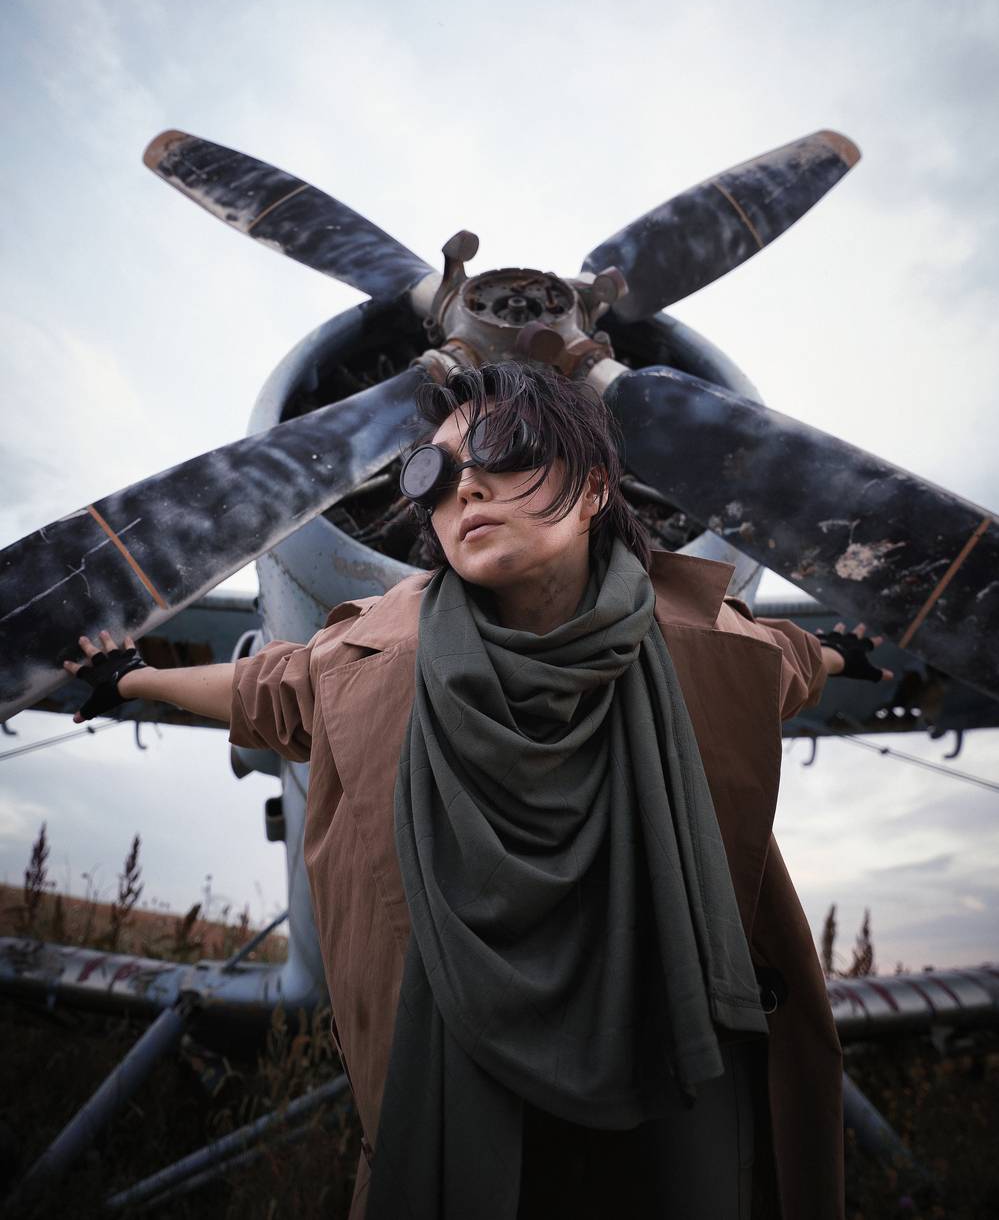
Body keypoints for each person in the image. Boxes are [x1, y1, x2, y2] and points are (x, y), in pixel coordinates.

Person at [65, 362, 892, 1220]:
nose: (465, 487)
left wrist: (844, 653)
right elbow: (268, 689)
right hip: (456, 1059)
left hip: (674, 1063)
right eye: (431, 473)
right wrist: (133, 680)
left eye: (506, 448)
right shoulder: (374, 658)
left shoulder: (711, 643)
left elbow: (786, 659)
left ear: (595, 489)